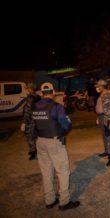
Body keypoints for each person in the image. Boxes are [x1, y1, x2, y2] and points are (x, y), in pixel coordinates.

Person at [32, 82, 80, 211]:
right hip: (54, 141)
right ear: (53, 93)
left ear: (42, 93)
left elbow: (33, 125)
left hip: (40, 142)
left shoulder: (35, 106)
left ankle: (50, 200)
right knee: (62, 171)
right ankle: (64, 202)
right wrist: (65, 125)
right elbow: (65, 126)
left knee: (46, 172)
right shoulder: (56, 107)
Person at [20, 83, 40, 160]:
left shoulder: (30, 98)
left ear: (31, 89)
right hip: (36, 119)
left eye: (27, 88)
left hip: (30, 121)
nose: (26, 90)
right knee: (35, 136)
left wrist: (24, 123)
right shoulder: (37, 97)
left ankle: (34, 154)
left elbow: (27, 111)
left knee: (30, 137)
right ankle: (34, 151)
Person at [95, 80, 108, 157]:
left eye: (98, 86)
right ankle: (107, 150)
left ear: (102, 86)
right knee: (104, 135)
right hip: (101, 116)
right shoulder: (102, 94)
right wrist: (98, 117)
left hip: (105, 117)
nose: (97, 88)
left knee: (108, 135)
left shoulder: (106, 95)